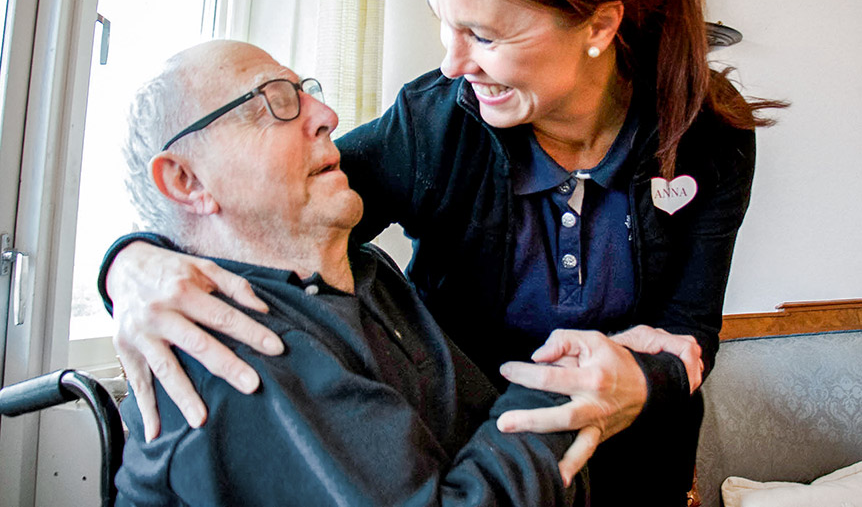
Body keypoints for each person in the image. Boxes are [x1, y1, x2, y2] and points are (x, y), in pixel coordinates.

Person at [100, 0, 783, 505]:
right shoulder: (438, 123)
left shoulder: (710, 142)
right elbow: (275, 221)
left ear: (598, 24)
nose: (454, 63)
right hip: (476, 468)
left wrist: (645, 379)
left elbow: (688, 337)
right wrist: (129, 262)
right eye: (444, 25)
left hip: (630, 472)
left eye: (484, 36)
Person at [113, 39, 589, 506]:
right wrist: (560, 386)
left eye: (307, 92)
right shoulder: (231, 354)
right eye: (273, 102)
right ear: (185, 180)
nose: (327, 117)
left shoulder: (362, 272)